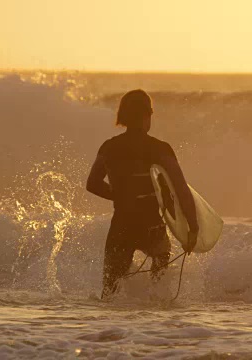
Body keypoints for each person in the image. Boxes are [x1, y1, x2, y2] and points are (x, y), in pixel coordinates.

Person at [87, 89, 199, 299]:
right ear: (147, 114)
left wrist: (120, 195)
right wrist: (193, 228)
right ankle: (150, 328)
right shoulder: (159, 148)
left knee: (109, 293)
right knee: (158, 292)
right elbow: (180, 188)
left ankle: (111, 330)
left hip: (120, 226)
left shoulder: (110, 147)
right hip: (151, 227)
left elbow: (92, 184)